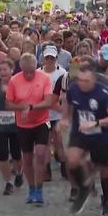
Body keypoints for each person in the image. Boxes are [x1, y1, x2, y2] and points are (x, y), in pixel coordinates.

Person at [59, 62, 108, 216]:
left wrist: (97, 122)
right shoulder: (73, 89)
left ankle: (106, 200)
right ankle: (84, 187)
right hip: (80, 132)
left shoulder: (103, 93)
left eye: (86, 81)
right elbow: (67, 101)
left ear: (93, 79)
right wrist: (65, 118)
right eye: (80, 80)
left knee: (104, 168)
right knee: (71, 160)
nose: (82, 84)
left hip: (101, 134)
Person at [6, 53, 55, 204]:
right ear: (21, 69)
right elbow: (8, 104)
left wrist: (31, 107)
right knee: (26, 159)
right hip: (23, 124)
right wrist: (21, 108)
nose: (28, 74)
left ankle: (39, 189)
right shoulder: (14, 80)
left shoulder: (44, 78)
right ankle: (32, 188)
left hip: (41, 121)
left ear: (36, 68)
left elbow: (48, 102)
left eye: (31, 71)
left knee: (40, 154)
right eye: (26, 72)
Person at [0, 59, 23, 194]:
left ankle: (19, 172)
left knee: (16, 154)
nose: (2, 72)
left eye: (5, 69)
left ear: (11, 70)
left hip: (15, 124)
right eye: (0, 70)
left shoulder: (18, 84)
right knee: (2, 154)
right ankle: (8, 183)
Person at [41, 45, 68, 182]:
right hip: (43, 114)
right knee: (45, 143)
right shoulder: (39, 72)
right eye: (48, 58)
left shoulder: (62, 73)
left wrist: (62, 110)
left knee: (59, 143)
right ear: (44, 58)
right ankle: (46, 170)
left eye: (52, 57)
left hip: (57, 113)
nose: (50, 60)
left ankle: (65, 168)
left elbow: (62, 95)